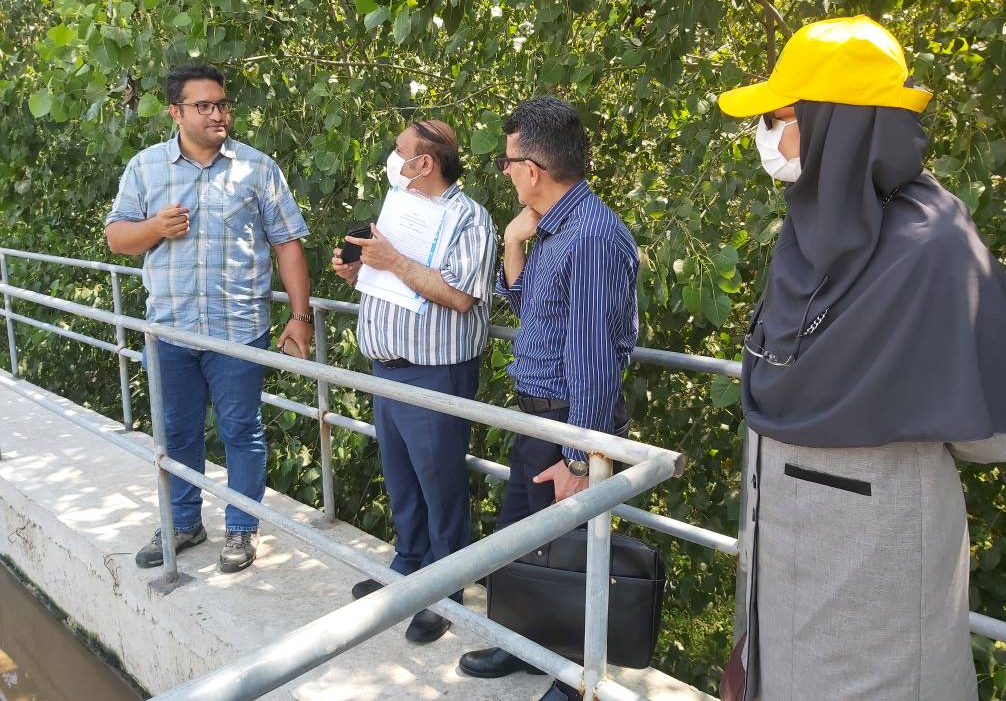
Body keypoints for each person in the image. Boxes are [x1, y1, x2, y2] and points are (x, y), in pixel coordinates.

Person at [717, 15, 1006, 700]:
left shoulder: (936, 248)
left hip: (881, 618)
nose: (765, 136)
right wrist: (752, 634)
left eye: (777, 117)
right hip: (782, 606)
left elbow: (991, 433)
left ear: (834, 124)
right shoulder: (807, 233)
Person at [457, 97, 639, 701]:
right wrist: (513, 242)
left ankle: (574, 678)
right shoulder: (556, 228)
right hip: (541, 421)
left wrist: (581, 459)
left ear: (532, 169)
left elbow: (595, 359)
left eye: (508, 163)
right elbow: (528, 308)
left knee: (571, 554)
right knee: (524, 544)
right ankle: (524, 647)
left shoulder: (590, 237)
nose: (505, 174)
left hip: (568, 425)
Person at [105, 62, 311, 574]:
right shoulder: (146, 167)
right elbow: (117, 238)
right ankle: (183, 523)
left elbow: (287, 243)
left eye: (221, 104)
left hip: (238, 330)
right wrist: (154, 228)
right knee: (177, 433)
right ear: (175, 112)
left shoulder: (257, 168)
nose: (218, 114)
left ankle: (241, 527)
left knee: (242, 431)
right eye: (204, 106)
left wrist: (300, 316)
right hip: (169, 330)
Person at [331, 120, 497, 644]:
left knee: (440, 484)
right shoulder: (398, 208)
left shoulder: (469, 219)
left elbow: (461, 296)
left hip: (435, 370)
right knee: (401, 476)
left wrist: (393, 260)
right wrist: (359, 272)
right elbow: (392, 279)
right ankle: (408, 564)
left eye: (399, 150)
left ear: (424, 162)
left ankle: (444, 591)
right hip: (387, 368)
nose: (392, 157)